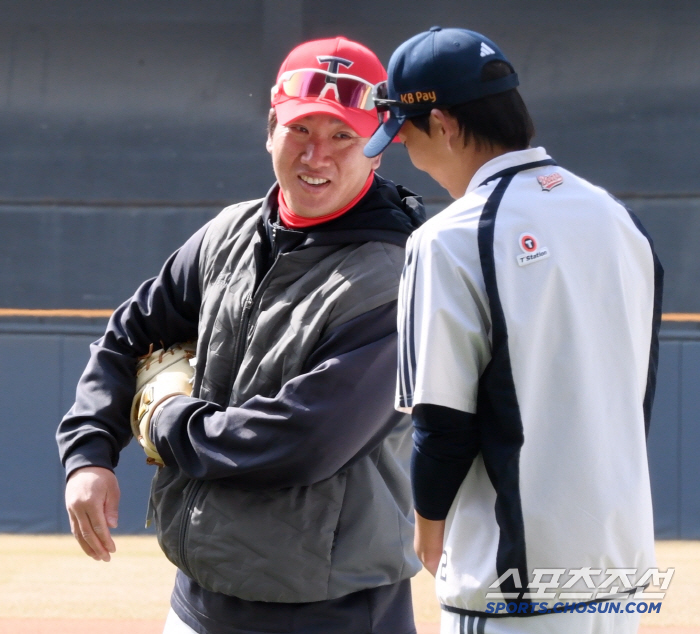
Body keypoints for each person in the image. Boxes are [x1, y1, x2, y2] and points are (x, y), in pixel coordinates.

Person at [57, 36, 424, 634]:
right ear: (271, 128)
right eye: (302, 130)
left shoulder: (395, 277)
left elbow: (303, 442)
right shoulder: (229, 233)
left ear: (377, 149)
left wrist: (166, 420)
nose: (317, 156)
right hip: (199, 597)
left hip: (333, 613)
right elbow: (129, 333)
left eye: (342, 136)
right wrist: (89, 451)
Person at [364, 27, 663, 634]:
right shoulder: (617, 218)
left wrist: (428, 533)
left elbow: (442, 425)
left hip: (513, 585)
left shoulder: (448, 239)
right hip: (618, 572)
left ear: (443, 124)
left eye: (405, 136)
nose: (408, 156)